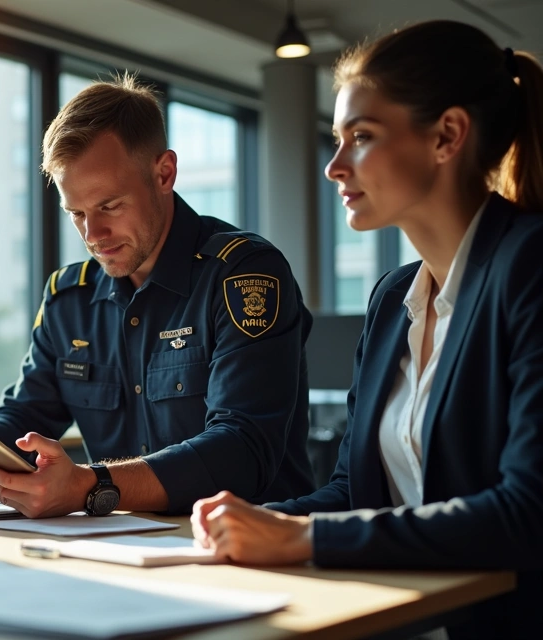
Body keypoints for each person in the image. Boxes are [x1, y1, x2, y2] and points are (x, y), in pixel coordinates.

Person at [190, 20, 543, 638]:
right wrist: (255, 520)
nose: (333, 166)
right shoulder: (391, 300)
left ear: (447, 136)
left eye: (361, 137)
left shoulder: (529, 267)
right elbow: (358, 490)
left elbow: (528, 512)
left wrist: (301, 536)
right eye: (337, 138)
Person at [0, 75, 316, 518]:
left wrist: (90, 487)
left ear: (164, 174)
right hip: (122, 549)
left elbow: (242, 450)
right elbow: (25, 420)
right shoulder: (67, 298)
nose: (92, 235)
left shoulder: (243, 274)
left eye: (110, 206)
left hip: (256, 551)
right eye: (76, 213)